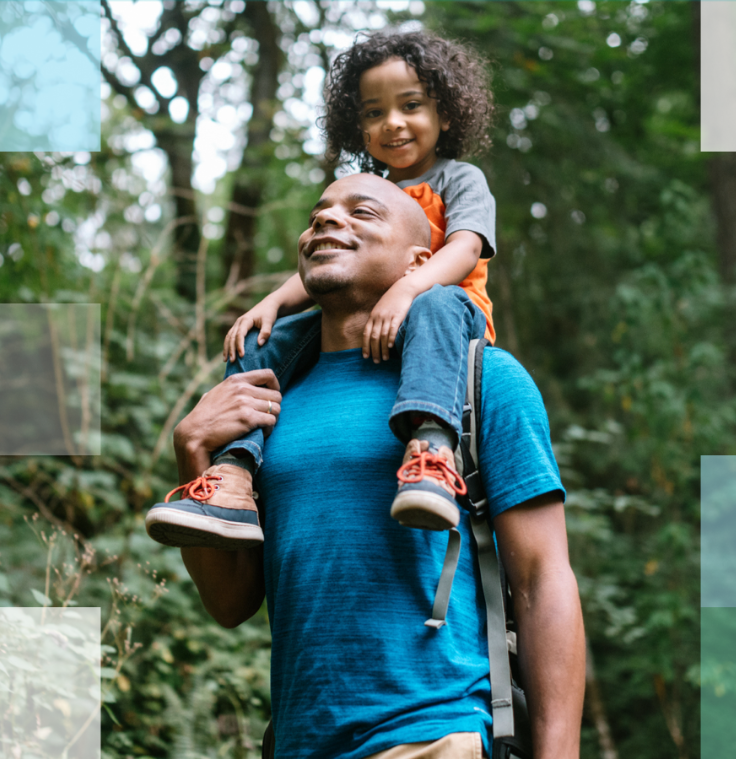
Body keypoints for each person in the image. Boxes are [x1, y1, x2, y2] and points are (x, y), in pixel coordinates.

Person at [171, 173, 585, 758]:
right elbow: (230, 604)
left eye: (362, 211)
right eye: (318, 214)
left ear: (420, 259)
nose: (326, 220)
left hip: (434, 733)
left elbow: (544, 580)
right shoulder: (262, 400)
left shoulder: (485, 380)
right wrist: (192, 451)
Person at [147, 30, 500, 549]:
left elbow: (465, 249)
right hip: (365, 320)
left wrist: (408, 289)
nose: (392, 123)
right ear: (358, 128)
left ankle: (431, 450)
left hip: (444, 319)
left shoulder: (459, 179)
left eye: (411, 106)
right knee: (262, 340)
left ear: (446, 113)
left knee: (438, 302)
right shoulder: (366, 187)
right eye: (374, 113)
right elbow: (329, 264)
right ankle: (233, 476)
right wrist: (270, 303)